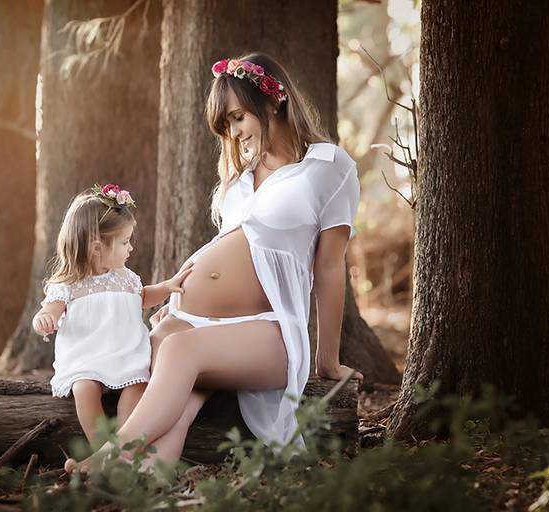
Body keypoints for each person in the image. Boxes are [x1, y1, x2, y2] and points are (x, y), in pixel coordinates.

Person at [65, 52, 362, 473]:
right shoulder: (243, 176)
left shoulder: (329, 167)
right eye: (227, 125)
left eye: (239, 117)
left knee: (181, 348)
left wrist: (328, 359)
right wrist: (187, 301)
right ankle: (140, 479)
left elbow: (330, 267)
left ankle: (109, 458)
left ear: (273, 98)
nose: (235, 132)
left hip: (271, 330)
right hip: (200, 321)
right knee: (157, 349)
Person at [32, 184, 193, 442]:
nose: (131, 248)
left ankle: (123, 442)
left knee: (137, 385)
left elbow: (141, 298)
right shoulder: (69, 283)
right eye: (125, 242)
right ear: (97, 248)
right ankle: (100, 447)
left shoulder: (126, 279)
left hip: (126, 353)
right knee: (84, 388)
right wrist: (44, 319)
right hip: (87, 355)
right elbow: (51, 308)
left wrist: (166, 287)